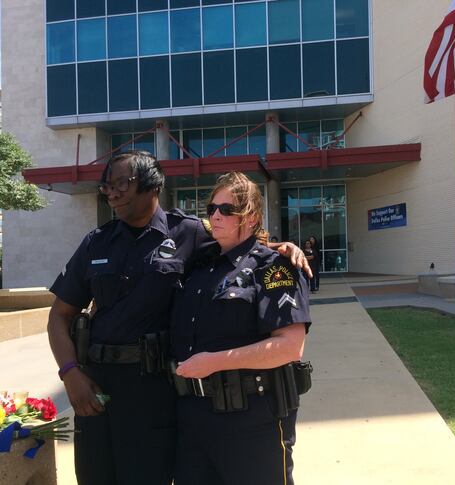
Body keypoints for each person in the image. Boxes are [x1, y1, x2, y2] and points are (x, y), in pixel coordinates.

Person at [47, 151, 310, 485]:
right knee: (94, 476)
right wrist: (70, 374)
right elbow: (59, 315)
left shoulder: (188, 233)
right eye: (106, 185)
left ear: (151, 186)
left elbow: (238, 244)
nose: (111, 192)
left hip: (154, 390)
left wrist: (281, 249)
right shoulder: (96, 242)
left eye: (121, 184)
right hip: (96, 387)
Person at [171, 172, 311, 485]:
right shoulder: (198, 267)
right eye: (211, 210)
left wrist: (214, 362)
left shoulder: (274, 267)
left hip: (252, 422)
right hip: (193, 420)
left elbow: (290, 346)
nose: (215, 216)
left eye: (226, 210)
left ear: (251, 217)